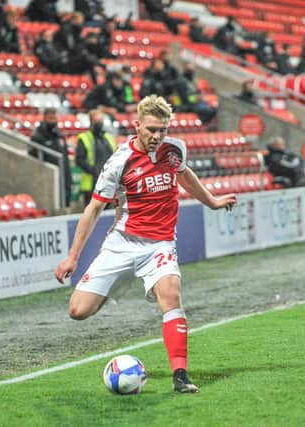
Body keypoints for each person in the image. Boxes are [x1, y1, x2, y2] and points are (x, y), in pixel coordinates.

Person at [55, 95, 237, 393]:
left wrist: (212, 201)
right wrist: (72, 258)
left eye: (162, 130)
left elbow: (184, 175)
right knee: (78, 310)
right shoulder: (119, 161)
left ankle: (180, 376)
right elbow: (93, 209)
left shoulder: (174, 150)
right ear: (137, 125)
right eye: (151, 129)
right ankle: (113, 286)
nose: (157, 136)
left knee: (171, 295)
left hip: (160, 245)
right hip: (122, 244)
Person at [30, 108, 72, 206]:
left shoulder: (59, 135)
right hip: (50, 177)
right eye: (50, 118)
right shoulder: (38, 135)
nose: (53, 121)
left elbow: (65, 156)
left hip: (64, 175)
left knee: (66, 201)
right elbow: (33, 152)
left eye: (54, 118)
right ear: (44, 118)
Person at [75, 109, 117, 204]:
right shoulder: (84, 137)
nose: (99, 123)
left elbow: (115, 157)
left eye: (101, 120)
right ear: (91, 121)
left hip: (108, 183)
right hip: (91, 182)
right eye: (96, 120)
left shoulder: (109, 137)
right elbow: (79, 160)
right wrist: (95, 171)